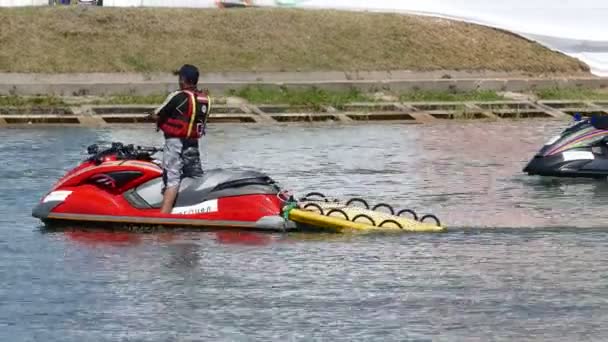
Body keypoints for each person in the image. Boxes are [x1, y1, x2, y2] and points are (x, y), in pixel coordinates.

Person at [148, 64, 210, 214]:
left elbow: (158, 113)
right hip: (193, 144)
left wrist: (151, 117)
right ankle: (195, 211)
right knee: (194, 177)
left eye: (179, 77)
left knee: (172, 179)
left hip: (175, 142)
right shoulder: (203, 99)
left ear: (182, 79)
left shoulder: (178, 96)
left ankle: (164, 217)